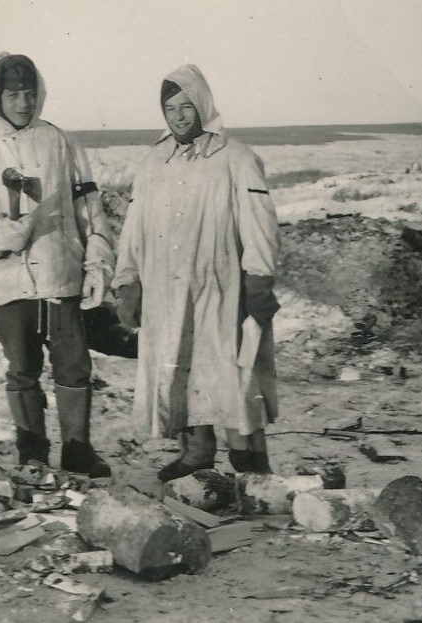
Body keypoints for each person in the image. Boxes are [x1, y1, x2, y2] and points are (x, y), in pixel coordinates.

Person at [0, 53, 114, 478]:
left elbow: (90, 210)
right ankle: (31, 453)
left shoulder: (61, 142)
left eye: (30, 93)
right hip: (8, 282)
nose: (23, 103)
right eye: (13, 95)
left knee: (74, 366)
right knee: (22, 369)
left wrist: (98, 263)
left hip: (59, 275)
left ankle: (77, 450)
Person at [112, 64, 281, 482]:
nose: (179, 117)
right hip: (166, 290)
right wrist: (127, 280)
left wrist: (258, 279)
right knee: (181, 366)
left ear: (203, 105)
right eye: (170, 109)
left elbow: (260, 224)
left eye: (186, 106)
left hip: (221, 288)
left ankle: (250, 462)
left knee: (231, 372)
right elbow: (134, 228)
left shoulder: (236, 158)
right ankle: (197, 452)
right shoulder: (154, 162)